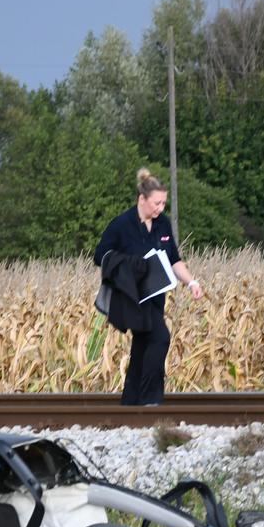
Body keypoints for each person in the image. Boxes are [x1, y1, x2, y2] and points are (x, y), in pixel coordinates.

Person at [93, 168, 204, 406]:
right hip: (132, 299)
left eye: (164, 203)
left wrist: (191, 282)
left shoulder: (162, 224)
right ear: (142, 199)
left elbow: (174, 259)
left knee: (143, 345)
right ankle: (151, 400)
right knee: (160, 337)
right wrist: (130, 265)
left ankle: (131, 403)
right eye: (156, 203)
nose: (160, 208)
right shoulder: (121, 225)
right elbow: (100, 256)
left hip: (156, 296)